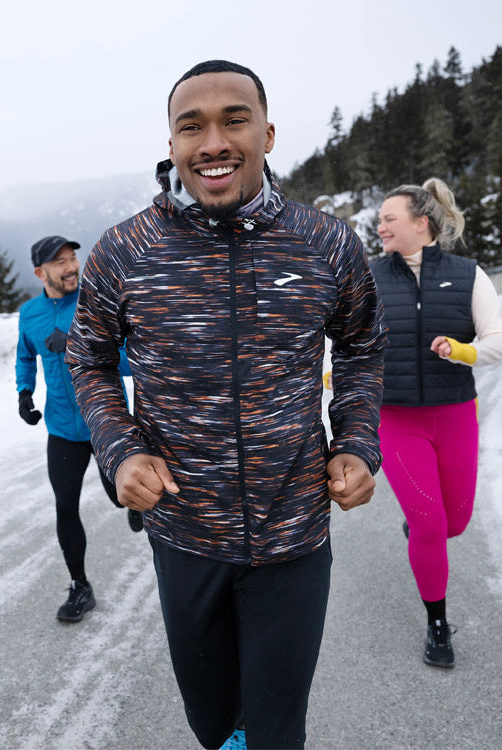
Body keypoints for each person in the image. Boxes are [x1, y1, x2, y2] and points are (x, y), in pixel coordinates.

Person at [66, 61, 386, 750]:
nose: (213, 141)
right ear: (173, 144)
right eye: (192, 126)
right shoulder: (126, 250)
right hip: (186, 533)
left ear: (267, 133)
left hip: (293, 531)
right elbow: (87, 361)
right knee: (212, 723)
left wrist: (357, 443)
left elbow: (361, 350)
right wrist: (119, 450)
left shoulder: (326, 243)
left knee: (275, 730)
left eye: (233, 120)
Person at [370, 180, 502, 668]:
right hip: (396, 419)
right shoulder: (369, 277)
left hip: (454, 414)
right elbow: (343, 339)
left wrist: (463, 350)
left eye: (389, 218)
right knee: (431, 522)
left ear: (420, 223)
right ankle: (437, 624)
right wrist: (332, 373)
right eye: (380, 219)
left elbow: (499, 340)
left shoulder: (468, 275)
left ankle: (421, 527)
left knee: (455, 522)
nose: (380, 226)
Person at [17, 234, 140, 624]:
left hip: (106, 422)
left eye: (73, 258)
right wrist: (24, 392)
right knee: (65, 506)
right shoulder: (30, 313)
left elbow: (128, 361)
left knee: (121, 498)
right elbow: (25, 354)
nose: (72, 267)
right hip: (62, 428)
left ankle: (135, 509)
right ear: (41, 272)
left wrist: (75, 343)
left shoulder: (97, 302)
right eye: (61, 263)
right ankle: (80, 585)